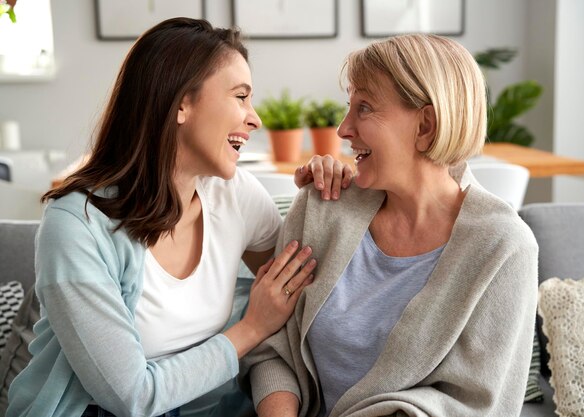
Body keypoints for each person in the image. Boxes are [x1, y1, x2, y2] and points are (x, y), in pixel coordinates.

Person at [6, 18, 352, 417]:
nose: (254, 118)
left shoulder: (234, 194)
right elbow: (132, 397)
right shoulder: (76, 224)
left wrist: (331, 198)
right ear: (181, 103)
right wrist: (251, 328)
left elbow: (312, 295)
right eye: (240, 97)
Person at [242, 34, 539, 417]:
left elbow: (475, 404)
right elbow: (273, 348)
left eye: (364, 107)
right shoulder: (322, 206)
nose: (343, 129)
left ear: (425, 126)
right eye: (348, 107)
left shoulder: (503, 248)